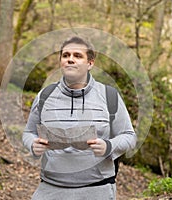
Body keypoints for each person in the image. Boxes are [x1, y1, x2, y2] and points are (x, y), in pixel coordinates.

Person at [22, 36, 137, 200]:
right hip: (50, 189)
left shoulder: (109, 96)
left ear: (90, 63)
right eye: (66, 55)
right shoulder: (45, 96)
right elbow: (28, 132)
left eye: (77, 56)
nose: (70, 60)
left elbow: (129, 136)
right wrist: (32, 144)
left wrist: (108, 146)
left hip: (97, 190)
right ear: (61, 61)